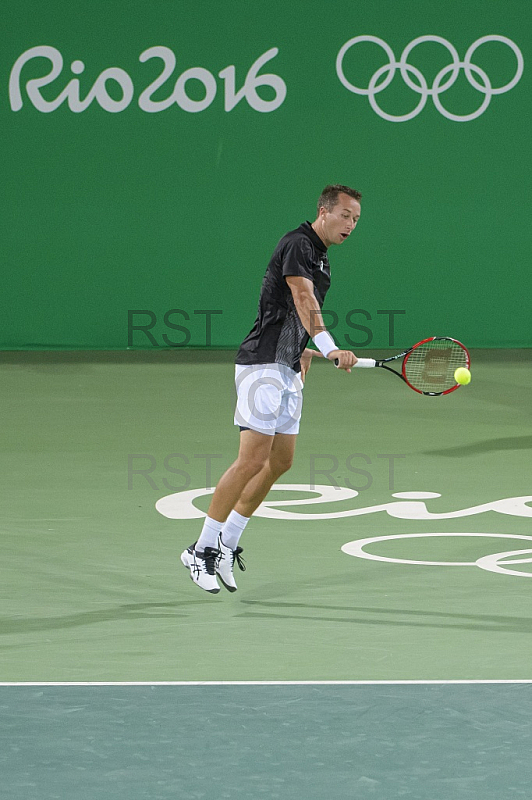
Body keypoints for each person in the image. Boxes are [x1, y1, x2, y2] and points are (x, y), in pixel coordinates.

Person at [181, 184, 362, 593]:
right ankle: (202, 548)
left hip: (288, 368)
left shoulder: (323, 260)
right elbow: (301, 296)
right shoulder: (298, 243)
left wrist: (304, 352)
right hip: (262, 364)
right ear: (324, 211)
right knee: (251, 460)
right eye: (345, 215)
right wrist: (329, 346)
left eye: (356, 219)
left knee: (280, 461)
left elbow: (296, 315)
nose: (351, 224)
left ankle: (228, 542)